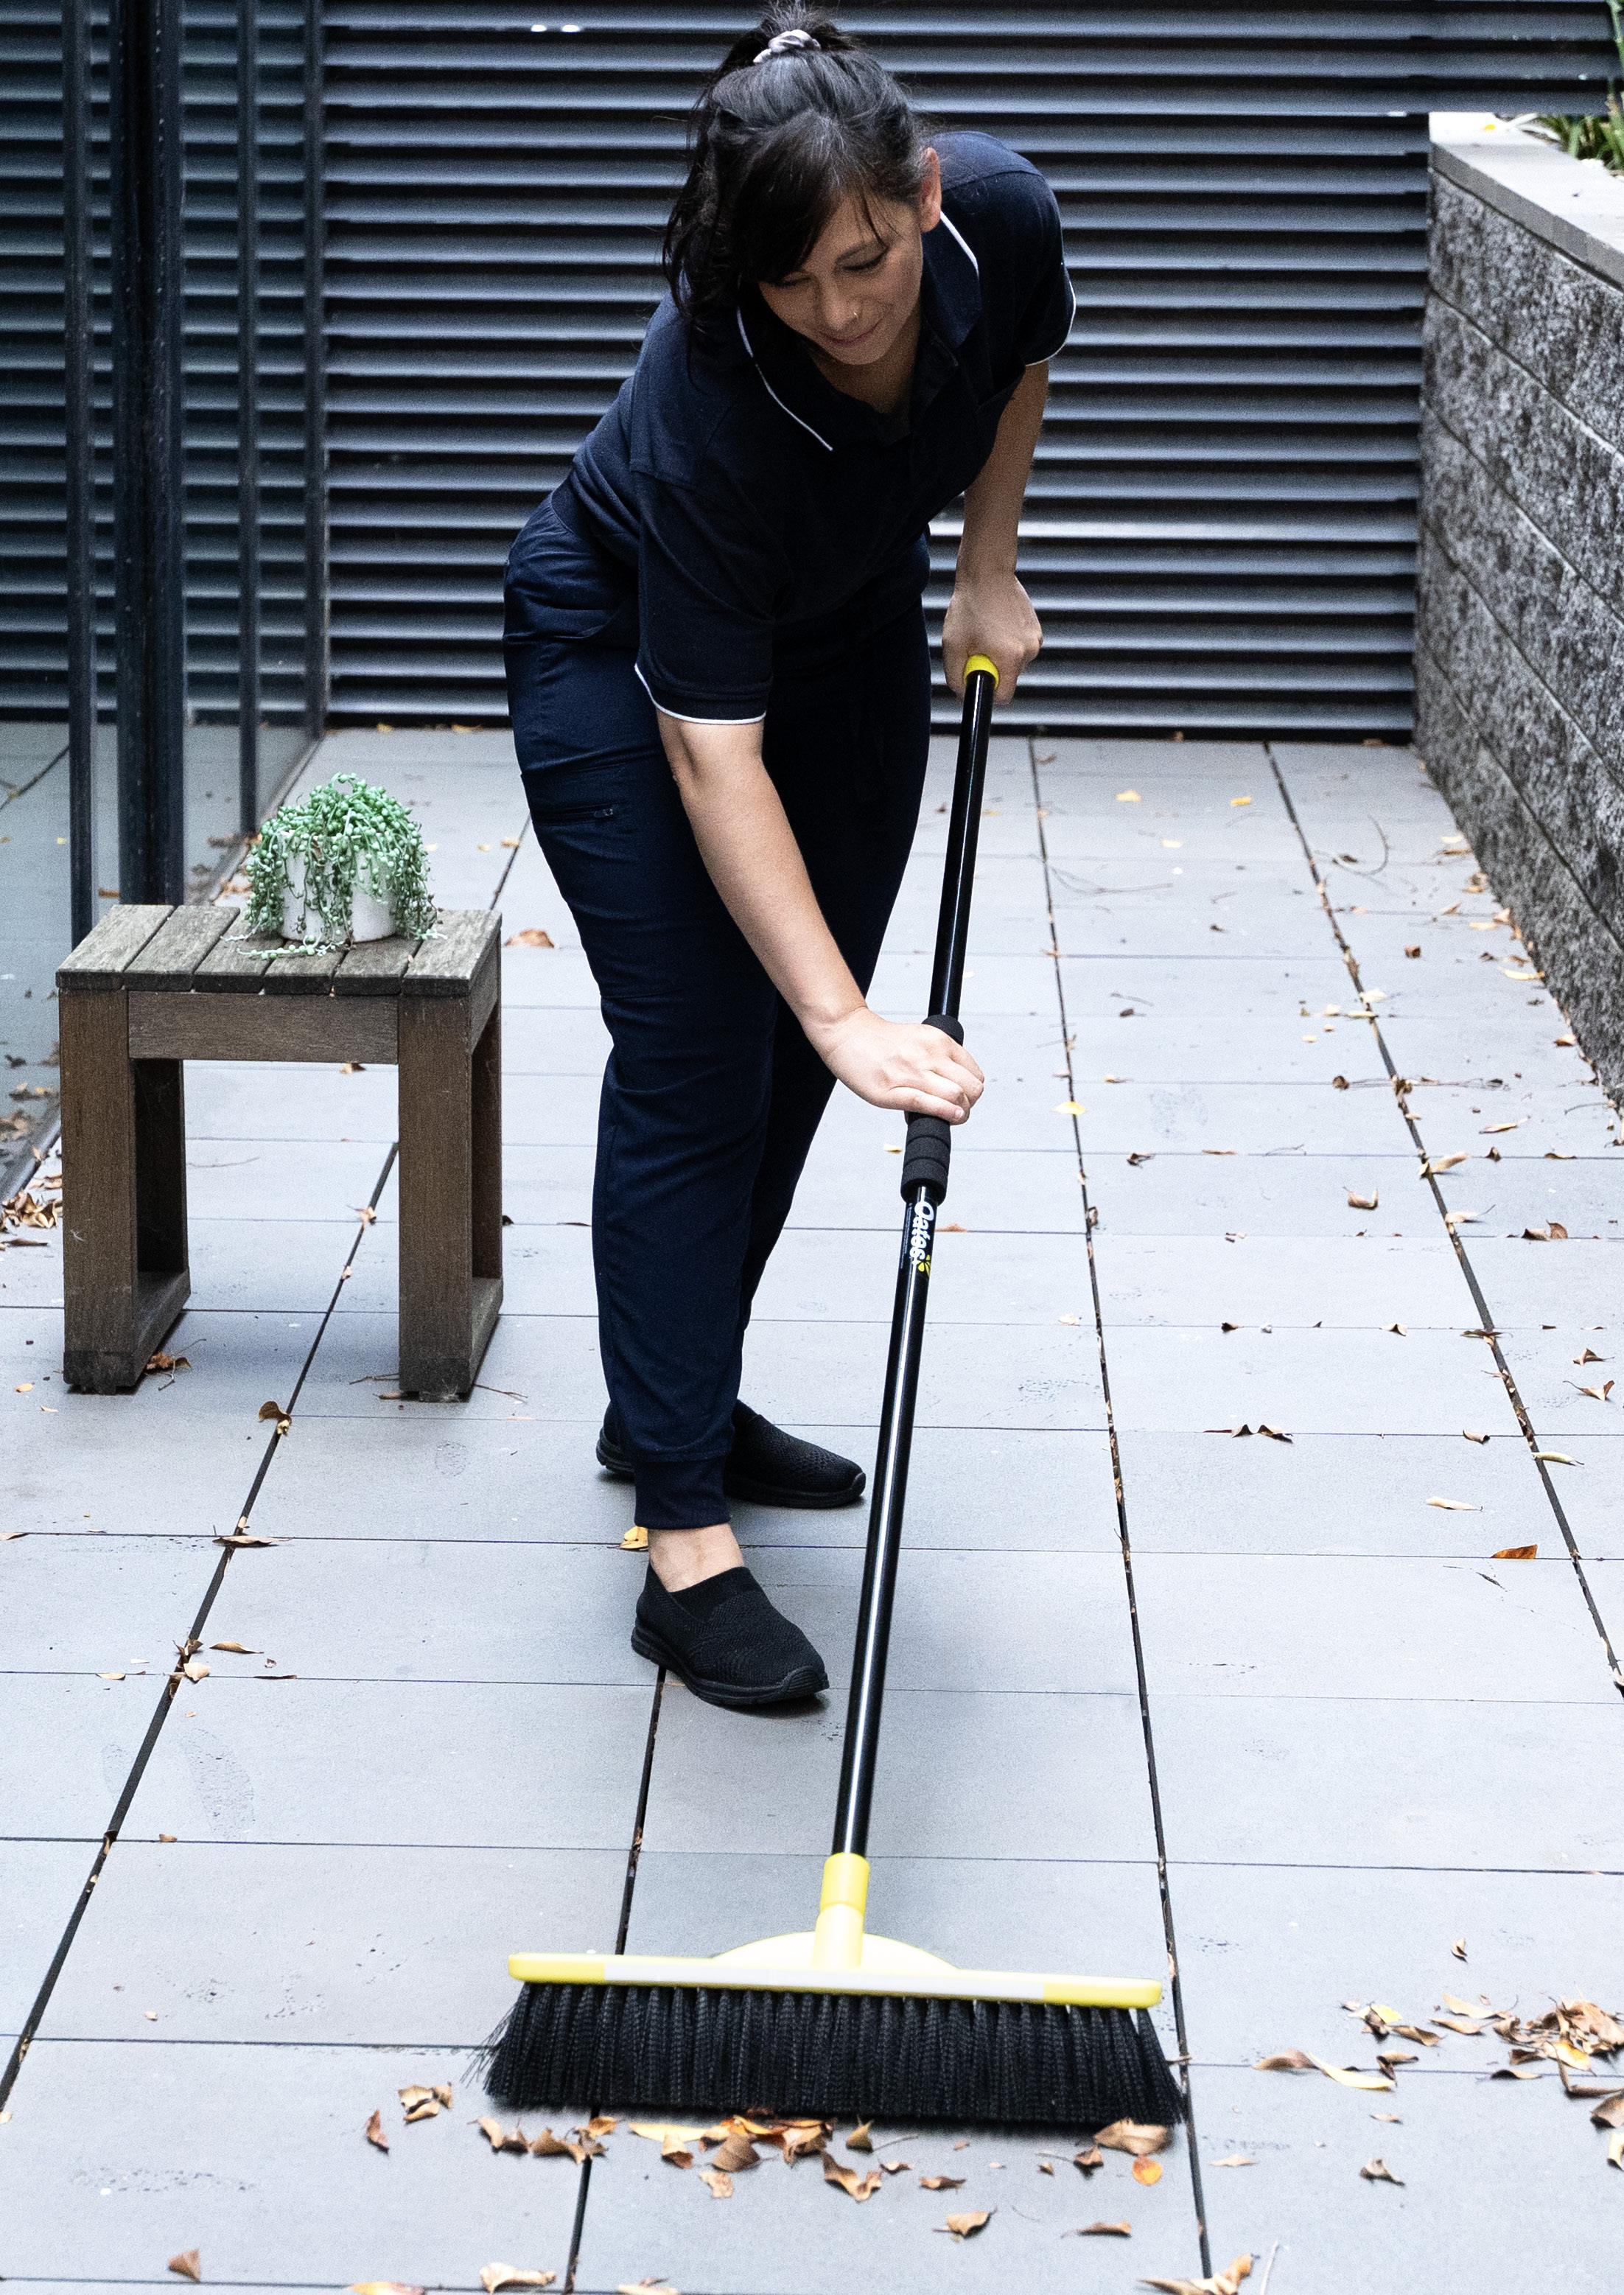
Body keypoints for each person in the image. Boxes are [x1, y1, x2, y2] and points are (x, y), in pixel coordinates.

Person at [504, 4, 1071, 1710]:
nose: (837, 310)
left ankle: (667, 1398)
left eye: (865, 262)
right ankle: (683, 1543)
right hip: (623, 651)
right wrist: (839, 1015)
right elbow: (708, 752)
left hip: (844, 629)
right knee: (707, 1053)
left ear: (922, 193)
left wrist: (985, 564)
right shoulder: (711, 394)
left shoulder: (1000, 214)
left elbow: (1017, 355)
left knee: (794, 1057)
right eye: (794, 281)